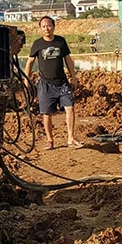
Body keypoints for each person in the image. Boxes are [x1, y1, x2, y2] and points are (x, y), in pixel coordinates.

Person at [25, 15, 83, 150]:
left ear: (53, 27)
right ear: (40, 28)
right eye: (44, 26)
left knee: (70, 108)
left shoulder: (60, 42)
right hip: (45, 84)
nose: (47, 28)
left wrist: (73, 77)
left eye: (49, 25)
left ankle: (71, 138)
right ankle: (50, 140)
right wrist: (26, 80)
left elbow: (68, 60)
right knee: (46, 113)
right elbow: (29, 62)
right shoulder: (37, 44)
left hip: (62, 82)